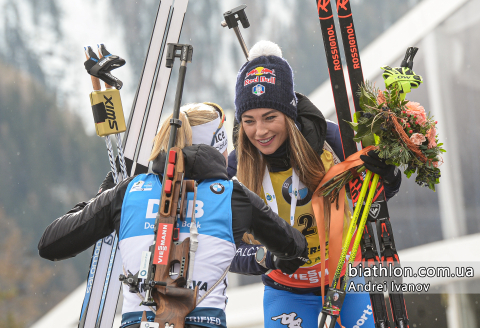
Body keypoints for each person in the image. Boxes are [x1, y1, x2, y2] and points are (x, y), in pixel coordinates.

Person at [38, 103, 309, 328]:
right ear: (216, 148)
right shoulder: (232, 195)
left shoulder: (129, 191)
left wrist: (102, 197)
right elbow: (295, 248)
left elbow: (51, 244)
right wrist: (268, 258)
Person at [228, 41, 402, 328]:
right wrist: (266, 257)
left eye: (270, 117)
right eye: (249, 121)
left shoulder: (327, 139)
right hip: (286, 292)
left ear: (289, 113)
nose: (260, 131)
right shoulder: (238, 165)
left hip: (348, 279)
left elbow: (373, 200)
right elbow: (223, 247)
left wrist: (387, 174)